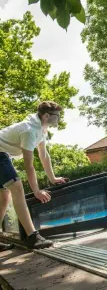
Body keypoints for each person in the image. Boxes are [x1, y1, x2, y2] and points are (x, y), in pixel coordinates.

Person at [0, 101, 68, 251]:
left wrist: (53, 178)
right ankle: (32, 237)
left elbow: (44, 156)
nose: (59, 118)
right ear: (46, 116)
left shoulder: (42, 129)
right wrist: (36, 191)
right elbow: (29, 165)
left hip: (4, 155)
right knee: (16, 187)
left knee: (4, 197)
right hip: (0, 154)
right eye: (57, 116)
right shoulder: (29, 130)